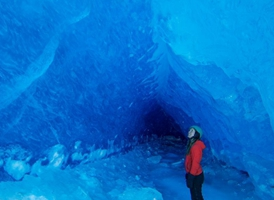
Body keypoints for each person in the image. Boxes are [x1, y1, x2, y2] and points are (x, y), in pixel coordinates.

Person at [185, 125, 206, 200]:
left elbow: (195, 163)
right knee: (195, 195)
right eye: (189, 130)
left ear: (197, 134)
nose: (189, 132)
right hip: (194, 174)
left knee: (197, 196)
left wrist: (191, 176)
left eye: (192, 131)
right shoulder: (192, 144)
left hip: (196, 176)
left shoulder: (196, 147)